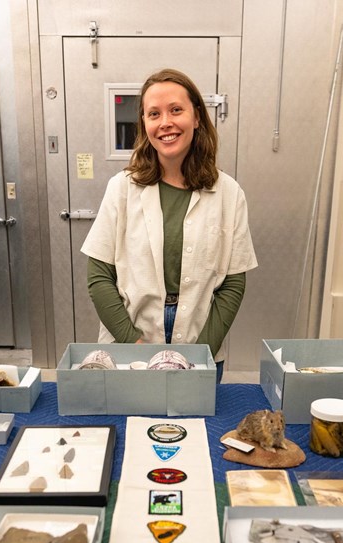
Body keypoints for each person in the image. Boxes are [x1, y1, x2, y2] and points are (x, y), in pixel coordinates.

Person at [81, 68, 257, 382]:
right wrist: (133, 346)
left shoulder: (229, 193)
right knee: (129, 428)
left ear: (197, 117)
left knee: (198, 428)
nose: (166, 123)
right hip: (129, 343)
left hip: (200, 343)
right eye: (154, 114)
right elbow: (99, 277)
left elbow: (232, 284)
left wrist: (201, 351)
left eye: (176, 110)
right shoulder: (122, 188)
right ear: (144, 123)